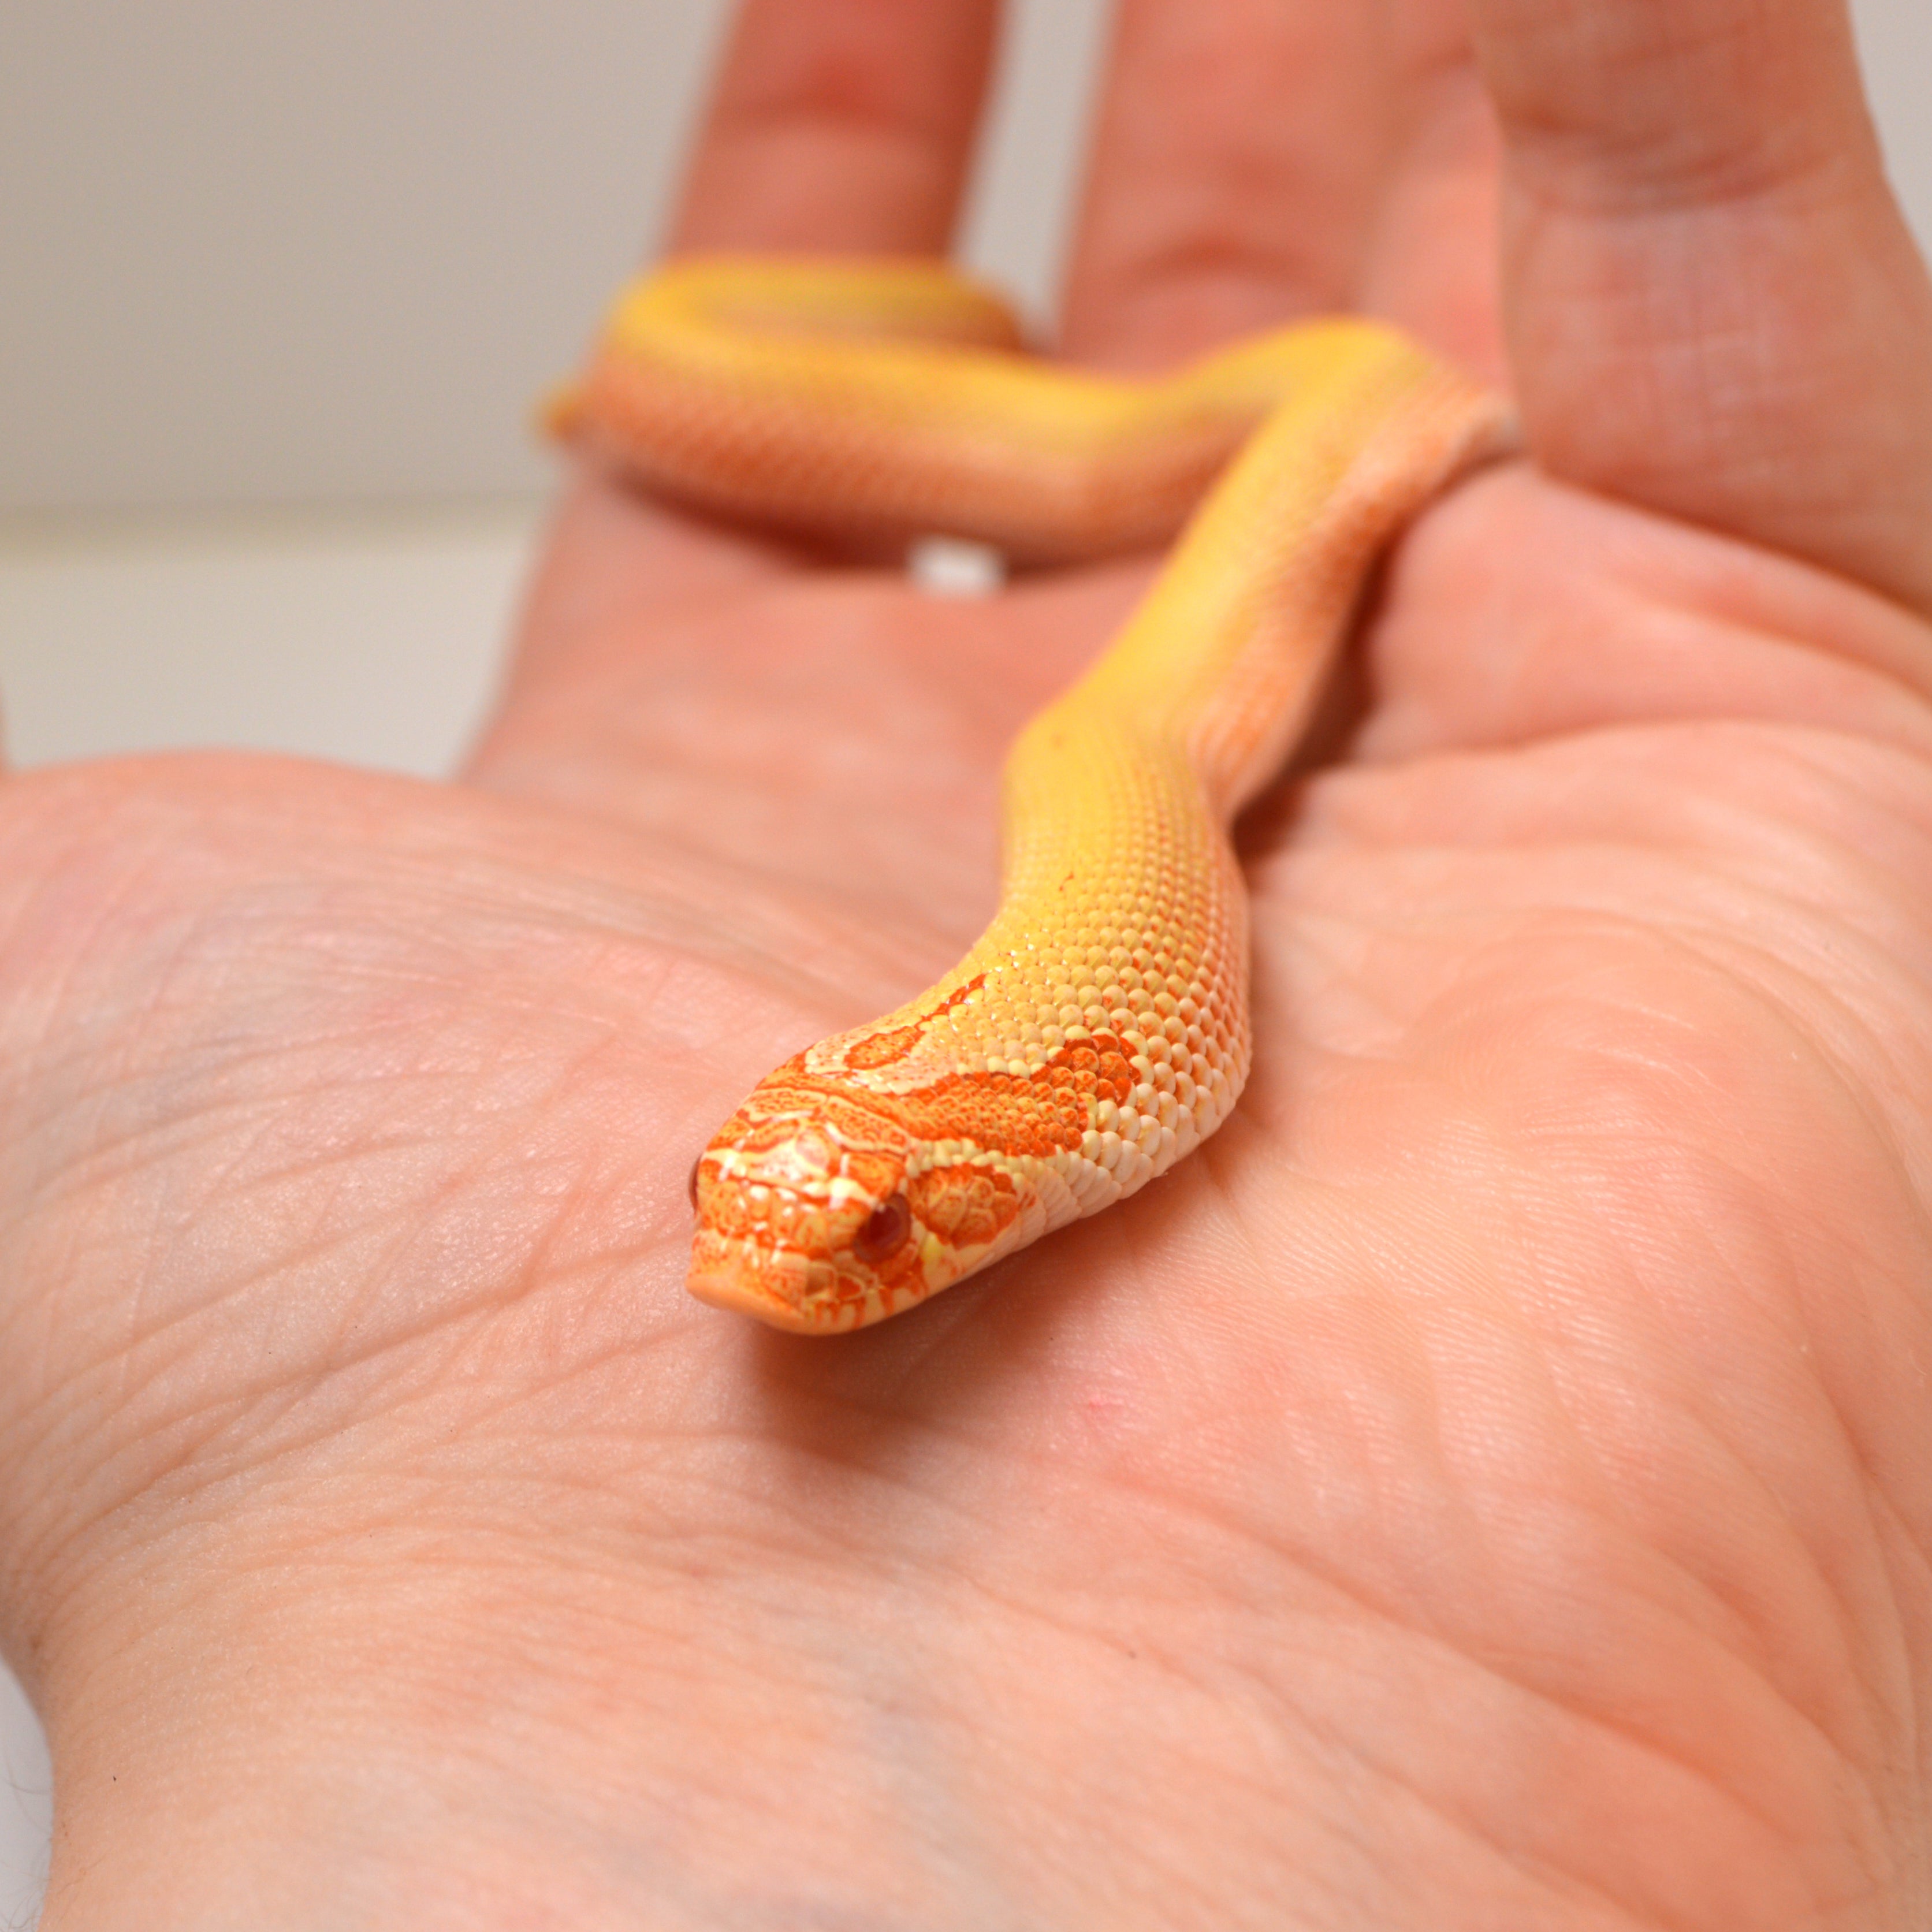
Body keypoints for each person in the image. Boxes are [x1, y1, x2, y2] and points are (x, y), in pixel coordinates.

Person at [5, 0, 1930, 1923]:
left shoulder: (1113, 1023)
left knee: (1162, 636)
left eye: (854, 1234)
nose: (745, 1275)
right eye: (741, 1201)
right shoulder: (1055, 1026)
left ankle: (1248, 398)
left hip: (1215, 570)